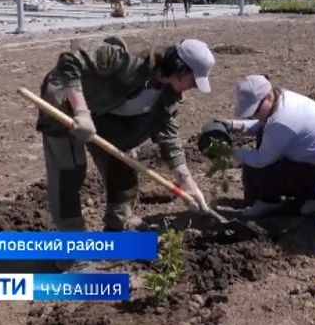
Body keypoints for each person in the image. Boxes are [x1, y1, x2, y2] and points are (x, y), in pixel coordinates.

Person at [35, 37, 214, 242]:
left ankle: (119, 222)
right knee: (69, 172)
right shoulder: (127, 59)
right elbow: (69, 61)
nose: (194, 87)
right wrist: (81, 111)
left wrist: (187, 183)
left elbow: (168, 135)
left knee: (122, 162)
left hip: (103, 112)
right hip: (64, 98)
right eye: (194, 80)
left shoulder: (169, 94)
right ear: (180, 70)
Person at [219, 75, 315, 219]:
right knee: (259, 145)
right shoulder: (283, 99)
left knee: (258, 163)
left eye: (255, 111)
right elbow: (264, 126)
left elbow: (262, 159)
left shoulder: (282, 121)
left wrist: (230, 152)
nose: (253, 116)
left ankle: (300, 198)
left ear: (269, 96)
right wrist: (233, 125)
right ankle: (262, 199)